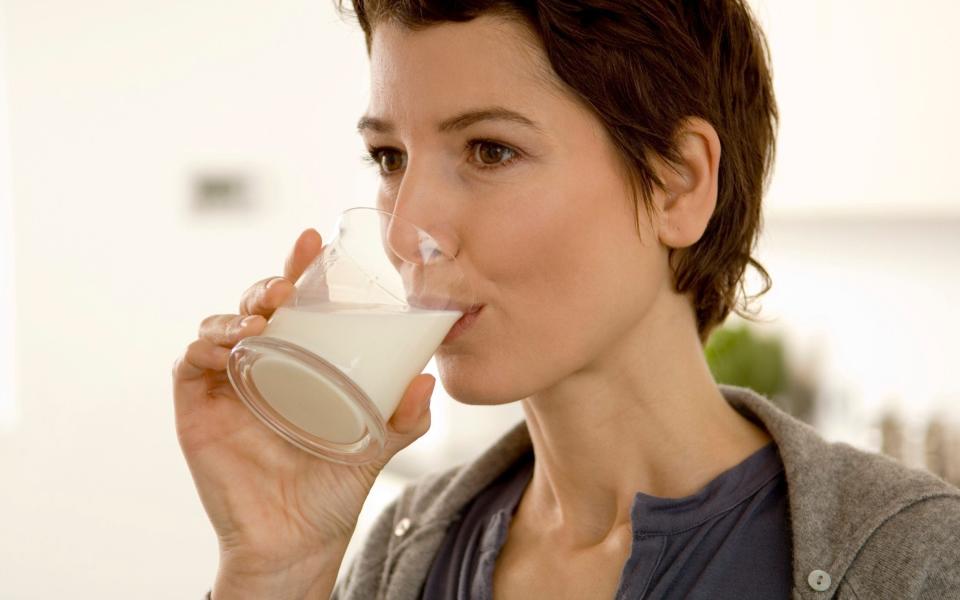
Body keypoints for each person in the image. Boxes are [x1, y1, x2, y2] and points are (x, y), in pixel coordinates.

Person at [172, 1, 960, 598]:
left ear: (678, 184)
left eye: (490, 150)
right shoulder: (395, 558)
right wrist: (278, 570)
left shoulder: (919, 562)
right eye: (389, 156)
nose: (408, 226)